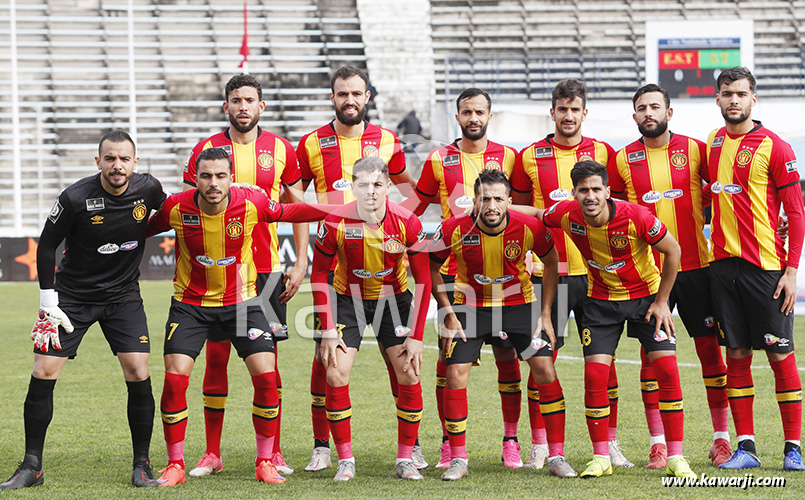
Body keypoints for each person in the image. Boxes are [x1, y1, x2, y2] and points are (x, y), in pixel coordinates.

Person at [149, 147, 334, 487]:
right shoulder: (176, 207)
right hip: (191, 305)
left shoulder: (251, 202)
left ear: (231, 177)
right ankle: (174, 464)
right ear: (196, 179)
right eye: (206, 176)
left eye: (220, 176)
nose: (213, 183)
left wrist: (337, 209)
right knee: (175, 379)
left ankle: (265, 461)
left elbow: (291, 210)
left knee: (266, 377)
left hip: (243, 303)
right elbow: (140, 230)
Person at [0, 130, 166, 489]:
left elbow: (176, 211)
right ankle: (32, 467)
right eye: (110, 158)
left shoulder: (149, 189)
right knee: (43, 371)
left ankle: (142, 465)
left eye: (124, 158)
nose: (117, 165)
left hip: (123, 296)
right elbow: (46, 248)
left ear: (135, 162)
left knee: (138, 370)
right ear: (98, 162)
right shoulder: (75, 197)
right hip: (72, 297)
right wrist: (48, 304)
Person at [532, 160, 695, 479]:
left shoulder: (636, 216)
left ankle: (676, 457)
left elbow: (673, 250)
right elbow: (539, 214)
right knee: (595, 376)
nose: (590, 196)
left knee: (667, 370)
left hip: (645, 300)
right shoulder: (566, 214)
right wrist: (498, 205)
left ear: (607, 191)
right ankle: (601, 456)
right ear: (574, 193)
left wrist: (662, 302)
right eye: (583, 190)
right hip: (601, 303)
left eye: (596, 189)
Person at [297, 65, 423, 472]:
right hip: (340, 269)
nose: (349, 100)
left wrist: (399, 229)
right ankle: (323, 447)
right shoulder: (311, 143)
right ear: (331, 97)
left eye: (356, 93)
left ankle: (411, 449)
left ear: (367, 96)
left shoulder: (389, 140)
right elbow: (293, 192)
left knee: (402, 365)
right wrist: (314, 230)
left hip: (388, 276)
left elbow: (408, 191)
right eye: (341, 93)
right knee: (327, 360)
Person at [182, 73, 306, 477]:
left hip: (266, 271)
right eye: (235, 100)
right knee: (215, 360)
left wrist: (301, 259)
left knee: (268, 363)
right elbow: (188, 209)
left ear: (261, 106)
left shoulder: (282, 149)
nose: (242, 106)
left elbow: (297, 206)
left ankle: (274, 452)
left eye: (249, 99)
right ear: (226, 107)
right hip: (217, 276)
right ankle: (212, 454)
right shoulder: (206, 151)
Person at [608, 83, 731, 468]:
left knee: (710, 352)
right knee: (651, 358)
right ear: (634, 116)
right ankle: (658, 443)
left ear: (669, 112)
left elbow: (722, 198)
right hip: (649, 275)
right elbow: (614, 216)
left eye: (655, 106)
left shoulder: (697, 150)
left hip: (697, 268)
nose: (648, 112)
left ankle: (721, 439)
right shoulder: (623, 159)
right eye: (641, 107)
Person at [401, 88, 525, 469]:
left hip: (505, 278)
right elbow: (414, 205)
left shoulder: (509, 156)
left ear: (490, 116)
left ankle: (511, 441)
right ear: (457, 117)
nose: (473, 118)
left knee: (508, 359)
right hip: (455, 281)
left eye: (480, 112)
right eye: (466, 112)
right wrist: (381, 222)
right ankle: (447, 443)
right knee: (448, 364)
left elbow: (519, 207)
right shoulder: (438, 158)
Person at [509, 79, 629, 469]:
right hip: (551, 276)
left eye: (575, 109)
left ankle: (609, 444)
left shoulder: (604, 153)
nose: (568, 115)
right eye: (562, 109)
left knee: (604, 363)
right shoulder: (529, 156)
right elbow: (521, 214)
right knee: (542, 360)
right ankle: (540, 444)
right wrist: (526, 256)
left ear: (584, 112)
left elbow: (618, 210)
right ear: (552, 111)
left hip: (597, 276)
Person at [431, 169, 576, 481]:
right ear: (474, 201)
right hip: (470, 306)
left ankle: (557, 455)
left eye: (498, 198)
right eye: (485, 198)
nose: (492, 205)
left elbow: (552, 262)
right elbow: (430, 266)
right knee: (454, 374)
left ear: (510, 201)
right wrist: (447, 311)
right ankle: (458, 458)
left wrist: (546, 312)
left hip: (519, 306)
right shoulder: (453, 229)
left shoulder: (529, 227)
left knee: (546, 369)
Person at [705, 67, 804, 471]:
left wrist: (792, 271)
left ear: (753, 99)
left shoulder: (775, 147)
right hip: (722, 270)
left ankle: (793, 448)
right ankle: (746, 448)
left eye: (741, 94)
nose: (734, 100)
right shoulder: (712, 144)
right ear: (717, 99)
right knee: (737, 355)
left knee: (781, 357)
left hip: (765, 269)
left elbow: (796, 213)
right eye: (727, 93)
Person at [310, 156, 431, 481]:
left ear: (389, 187)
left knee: (408, 372)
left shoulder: (408, 222)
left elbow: (424, 281)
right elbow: (319, 274)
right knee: (335, 372)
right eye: (363, 184)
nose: (371, 191)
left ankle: (406, 458)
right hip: (347, 300)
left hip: (394, 301)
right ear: (353, 186)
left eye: (378, 184)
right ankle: (345, 460)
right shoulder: (335, 222)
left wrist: (417, 335)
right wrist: (329, 330)